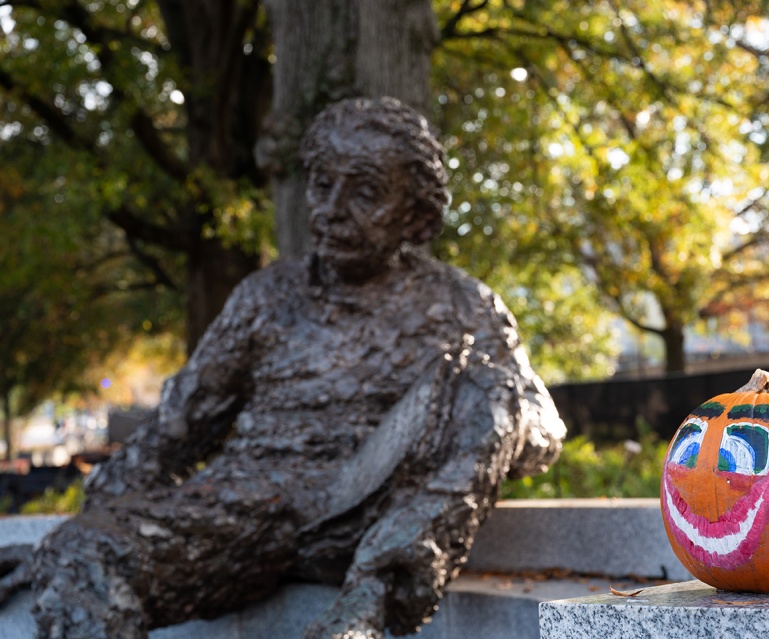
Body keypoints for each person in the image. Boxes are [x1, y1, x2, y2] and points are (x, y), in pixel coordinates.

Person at [2, 97, 565, 639]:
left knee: (499, 390)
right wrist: (78, 540)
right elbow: (174, 432)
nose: (332, 209)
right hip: (243, 510)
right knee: (81, 554)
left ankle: (369, 600)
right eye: (322, 185)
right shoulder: (265, 297)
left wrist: (474, 406)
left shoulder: (462, 305)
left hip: (366, 516)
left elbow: (539, 428)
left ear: (417, 218)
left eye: (365, 192)